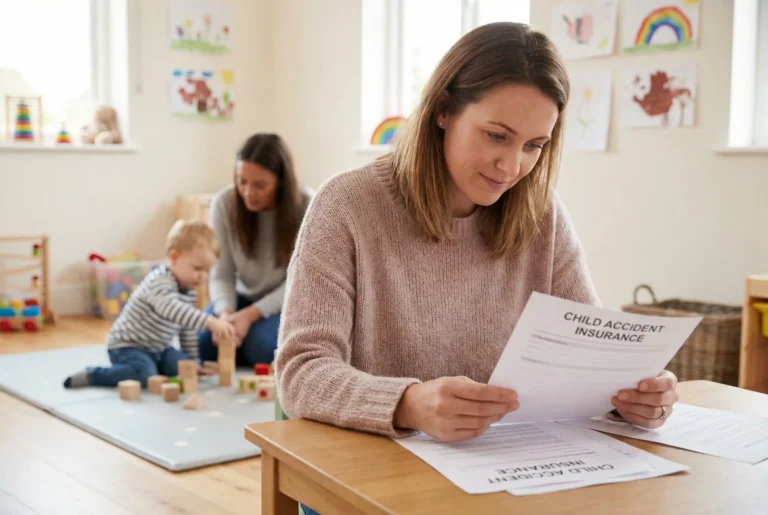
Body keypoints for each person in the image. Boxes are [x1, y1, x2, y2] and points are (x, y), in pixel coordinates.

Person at [277, 21, 679, 446]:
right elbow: (301, 372)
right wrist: (408, 404)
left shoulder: (541, 213)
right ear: (444, 110)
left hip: (501, 465)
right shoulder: (346, 205)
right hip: (373, 466)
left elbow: (588, 356)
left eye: (534, 146)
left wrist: (631, 395)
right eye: (496, 136)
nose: (512, 166)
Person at [64, 220, 235, 388]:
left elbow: (187, 330)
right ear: (174, 258)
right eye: (198, 269)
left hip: (159, 349)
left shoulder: (189, 291)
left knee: (181, 367)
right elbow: (173, 309)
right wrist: (210, 321)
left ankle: (158, 367)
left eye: (208, 271)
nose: (203, 277)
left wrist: (193, 363)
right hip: (128, 346)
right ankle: (94, 374)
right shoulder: (159, 281)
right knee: (145, 375)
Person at [198, 133, 313, 367]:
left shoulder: (307, 204)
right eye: (242, 181)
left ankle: (251, 340)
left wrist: (250, 316)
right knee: (204, 344)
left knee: (258, 348)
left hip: (287, 303)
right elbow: (221, 274)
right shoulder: (224, 203)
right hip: (241, 297)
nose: (248, 193)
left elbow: (300, 282)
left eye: (260, 185)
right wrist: (226, 316)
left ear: (281, 182)